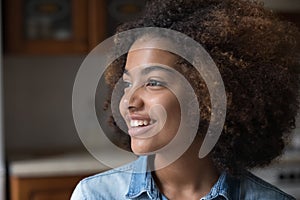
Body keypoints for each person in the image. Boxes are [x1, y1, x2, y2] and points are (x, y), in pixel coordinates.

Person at [71, 0, 299, 199]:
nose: (129, 101)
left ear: (207, 94)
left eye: (153, 82)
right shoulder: (96, 195)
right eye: (128, 83)